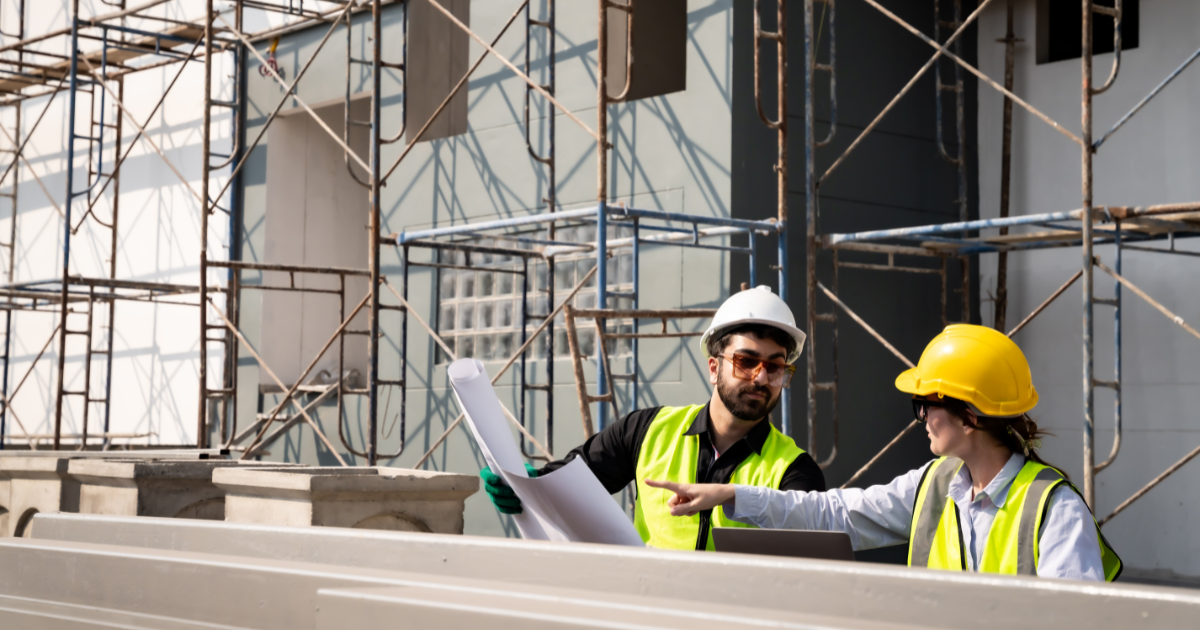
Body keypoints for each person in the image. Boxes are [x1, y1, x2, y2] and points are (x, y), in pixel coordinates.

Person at [647, 324, 1122, 581]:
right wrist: (730, 494)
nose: (920, 418)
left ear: (970, 416)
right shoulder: (933, 485)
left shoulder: (1053, 510)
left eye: (925, 403)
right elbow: (832, 514)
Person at [481, 285, 827, 551]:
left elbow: (807, 564)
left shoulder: (795, 471)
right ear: (713, 367)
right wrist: (529, 485)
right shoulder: (648, 430)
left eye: (775, 366)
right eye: (746, 361)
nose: (762, 378)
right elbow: (571, 483)